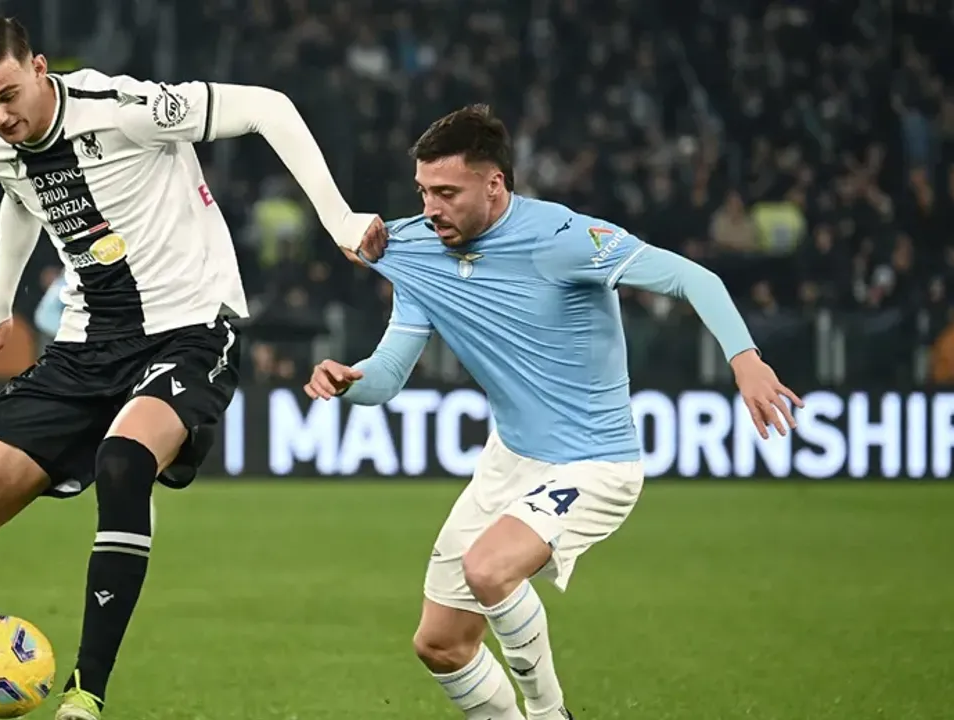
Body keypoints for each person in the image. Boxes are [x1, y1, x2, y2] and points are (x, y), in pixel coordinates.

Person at [0, 13, 386, 720]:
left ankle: (85, 691)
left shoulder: (126, 110)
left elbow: (269, 108)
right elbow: (21, 199)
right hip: (84, 346)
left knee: (122, 460)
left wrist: (339, 220)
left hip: (189, 330)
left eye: (7, 94)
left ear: (40, 68)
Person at [305, 105, 802, 720]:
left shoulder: (564, 239)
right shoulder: (417, 251)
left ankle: (549, 713)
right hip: (509, 460)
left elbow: (692, 278)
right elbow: (387, 374)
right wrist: (349, 382)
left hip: (594, 463)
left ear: (494, 184)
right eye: (423, 191)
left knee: (488, 569)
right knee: (440, 645)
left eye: (447, 192)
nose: (430, 207)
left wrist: (746, 360)